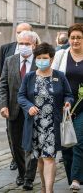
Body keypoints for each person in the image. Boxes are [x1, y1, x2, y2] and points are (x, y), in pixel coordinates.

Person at [18, 42, 74, 193]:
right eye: (39, 57)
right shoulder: (29, 77)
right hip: (34, 124)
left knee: (50, 158)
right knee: (41, 159)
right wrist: (28, 106)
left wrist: (67, 103)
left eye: (45, 58)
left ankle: (49, 190)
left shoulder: (59, 76)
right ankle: (43, 186)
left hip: (52, 124)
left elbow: (68, 95)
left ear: (51, 59)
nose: (41, 60)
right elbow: (21, 96)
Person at [0, 30, 38, 190]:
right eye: (21, 43)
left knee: (33, 145)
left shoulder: (40, 61)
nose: (23, 46)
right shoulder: (10, 61)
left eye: (27, 44)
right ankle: (22, 173)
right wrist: (3, 105)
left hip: (33, 110)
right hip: (13, 110)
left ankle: (29, 178)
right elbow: (3, 85)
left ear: (34, 45)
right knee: (16, 145)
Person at [52, 23, 83, 191]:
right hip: (63, 106)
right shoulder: (61, 55)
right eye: (73, 37)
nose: (75, 40)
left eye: (79, 37)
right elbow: (52, 76)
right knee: (66, 145)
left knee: (79, 141)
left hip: (82, 106)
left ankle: (77, 179)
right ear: (69, 39)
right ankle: (72, 177)